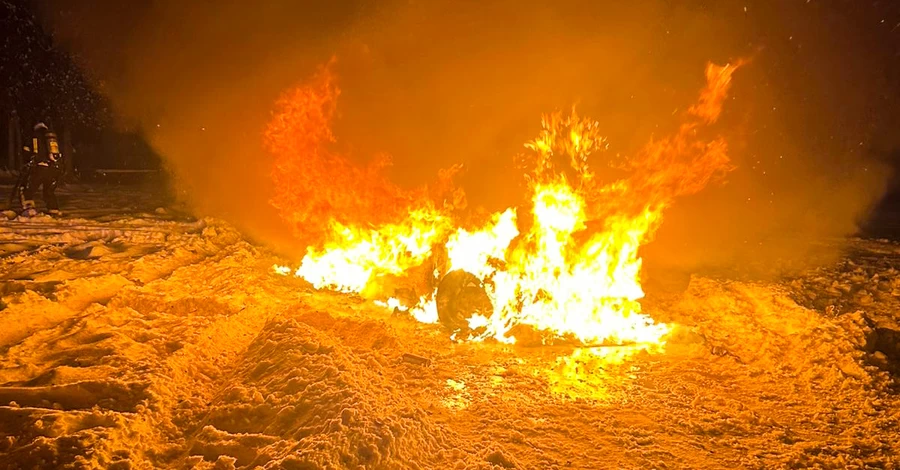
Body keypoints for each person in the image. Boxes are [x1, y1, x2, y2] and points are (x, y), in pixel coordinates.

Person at [19, 122, 64, 217]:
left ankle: (29, 209)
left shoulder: (34, 136)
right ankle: (54, 210)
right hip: (53, 169)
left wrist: (27, 161)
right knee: (48, 191)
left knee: (26, 189)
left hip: (40, 167)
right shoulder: (52, 139)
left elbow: (27, 151)